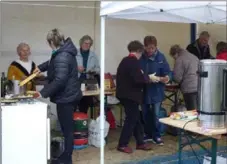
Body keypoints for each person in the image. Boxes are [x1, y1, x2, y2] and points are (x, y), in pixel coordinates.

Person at [33, 28, 82, 164]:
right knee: (67, 128)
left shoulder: (62, 55)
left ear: (51, 42)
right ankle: (66, 156)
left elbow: (60, 80)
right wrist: (40, 67)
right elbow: (52, 63)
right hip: (69, 95)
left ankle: (66, 159)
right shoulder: (63, 52)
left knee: (67, 129)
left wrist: (42, 92)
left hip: (67, 97)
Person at [116, 40, 152, 154]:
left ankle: (140, 142)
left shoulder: (125, 60)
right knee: (131, 119)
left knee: (136, 119)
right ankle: (122, 144)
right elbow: (138, 79)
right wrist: (148, 79)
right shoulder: (133, 62)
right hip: (130, 95)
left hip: (124, 94)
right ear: (138, 51)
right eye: (141, 53)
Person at [140, 36, 170, 145]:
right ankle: (147, 134)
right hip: (144, 91)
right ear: (144, 47)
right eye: (148, 48)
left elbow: (167, 72)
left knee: (156, 114)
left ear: (156, 47)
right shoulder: (141, 57)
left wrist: (165, 78)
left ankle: (156, 136)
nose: (150, 50)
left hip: (157, 90)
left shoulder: (161, 57)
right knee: (145, 113)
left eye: (153, 48)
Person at [170, 45, 199, 110]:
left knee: (191, 112)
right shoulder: (194, 57)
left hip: (188, 88)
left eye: (173, 57)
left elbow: (177, 78)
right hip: (199, 86)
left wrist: (172, 78)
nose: (174, 59)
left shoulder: (180, 59)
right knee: (197, 111)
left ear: (175, 54)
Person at [76, 35, 100, 114]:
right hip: (77, 81)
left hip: (89, 82)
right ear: (81, 43)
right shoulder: (75, 54)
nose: (87, 45)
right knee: (75, 103)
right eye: (85, 43)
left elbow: (98, 69)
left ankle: (83, 122)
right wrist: (77, 68)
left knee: (85, 105)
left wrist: (93, 71)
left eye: (89, 44)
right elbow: (69, 67)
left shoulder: (93, 55)